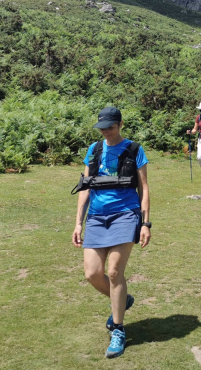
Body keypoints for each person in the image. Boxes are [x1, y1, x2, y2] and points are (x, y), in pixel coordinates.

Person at [72, 106, 151, 359]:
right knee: (92, 273)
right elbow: (85, 188)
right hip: (96, 217)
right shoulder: (94, 150)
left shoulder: (135, 150)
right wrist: (78, 222)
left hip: (125, 215)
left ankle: (118, 329)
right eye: (102, 127)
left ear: (120, 124)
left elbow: (144, 189)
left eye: (111, 127)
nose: (106, 132)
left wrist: (145, 223)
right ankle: (123, 300)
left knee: (115, 271)